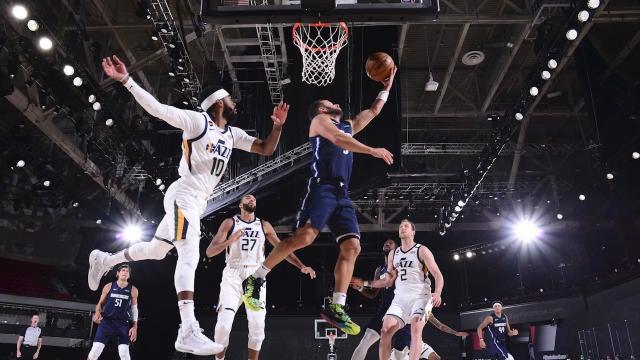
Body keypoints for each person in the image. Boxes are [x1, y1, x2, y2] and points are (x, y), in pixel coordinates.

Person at [89, 54, 289, 356]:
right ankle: (187, 328)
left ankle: (105, 260)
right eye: (230, 101)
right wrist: (126, 80)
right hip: (184, 195)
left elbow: (265, 148)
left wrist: (277, 126)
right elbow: (158, 109)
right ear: (219, 102)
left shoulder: (232, 134)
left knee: (156, 252)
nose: (235, 104)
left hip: (196, 201)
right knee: (190, 252)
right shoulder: (198, 122)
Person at [241, 67, 397, 336]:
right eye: (330, 103)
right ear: (322, 111)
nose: (336, 104)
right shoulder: (320, 123)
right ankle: (256, 279)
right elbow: (338, 139)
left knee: (353, 247)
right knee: (305, 238)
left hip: (342, 194)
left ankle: (337, 307)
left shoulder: (347, 126)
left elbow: (373, 111)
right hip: (321, 189)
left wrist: (388, 84)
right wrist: (372, 150)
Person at [205, 194, 317, 360]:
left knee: (257, 325)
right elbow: (210, 252)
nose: (252, 200)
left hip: (255, 275)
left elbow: (283, 249)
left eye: (254, 199)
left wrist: (301, 265)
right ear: (240, 204)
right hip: (233, 275)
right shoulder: (230, 223)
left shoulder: (263, 225)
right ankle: (219, 359)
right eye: (248, 198)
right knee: (223, 325)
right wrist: (229, 241)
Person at [350, 239, 465, 360]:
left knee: (401, 353)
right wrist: (361, 288)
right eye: (385, 243)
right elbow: (373, 294)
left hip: (404, 310)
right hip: (385, 309)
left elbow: (436, 322)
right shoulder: (379, 270)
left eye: (390, 243)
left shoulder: (403, 263)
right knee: (365, 341)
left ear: (396, 250)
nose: (387, 244)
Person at [88, 264, 138, 360]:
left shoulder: (133, 290)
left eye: (127, 271)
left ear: (129, 276)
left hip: (122, 323)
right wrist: (97, 312)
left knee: (124, 354)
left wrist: (135, 326)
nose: (125, 272)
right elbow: (100, 304)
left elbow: (134, 309)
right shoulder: (109, 286)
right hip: (107, 321)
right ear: (117, 273)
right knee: (95, 351)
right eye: (123, 270)